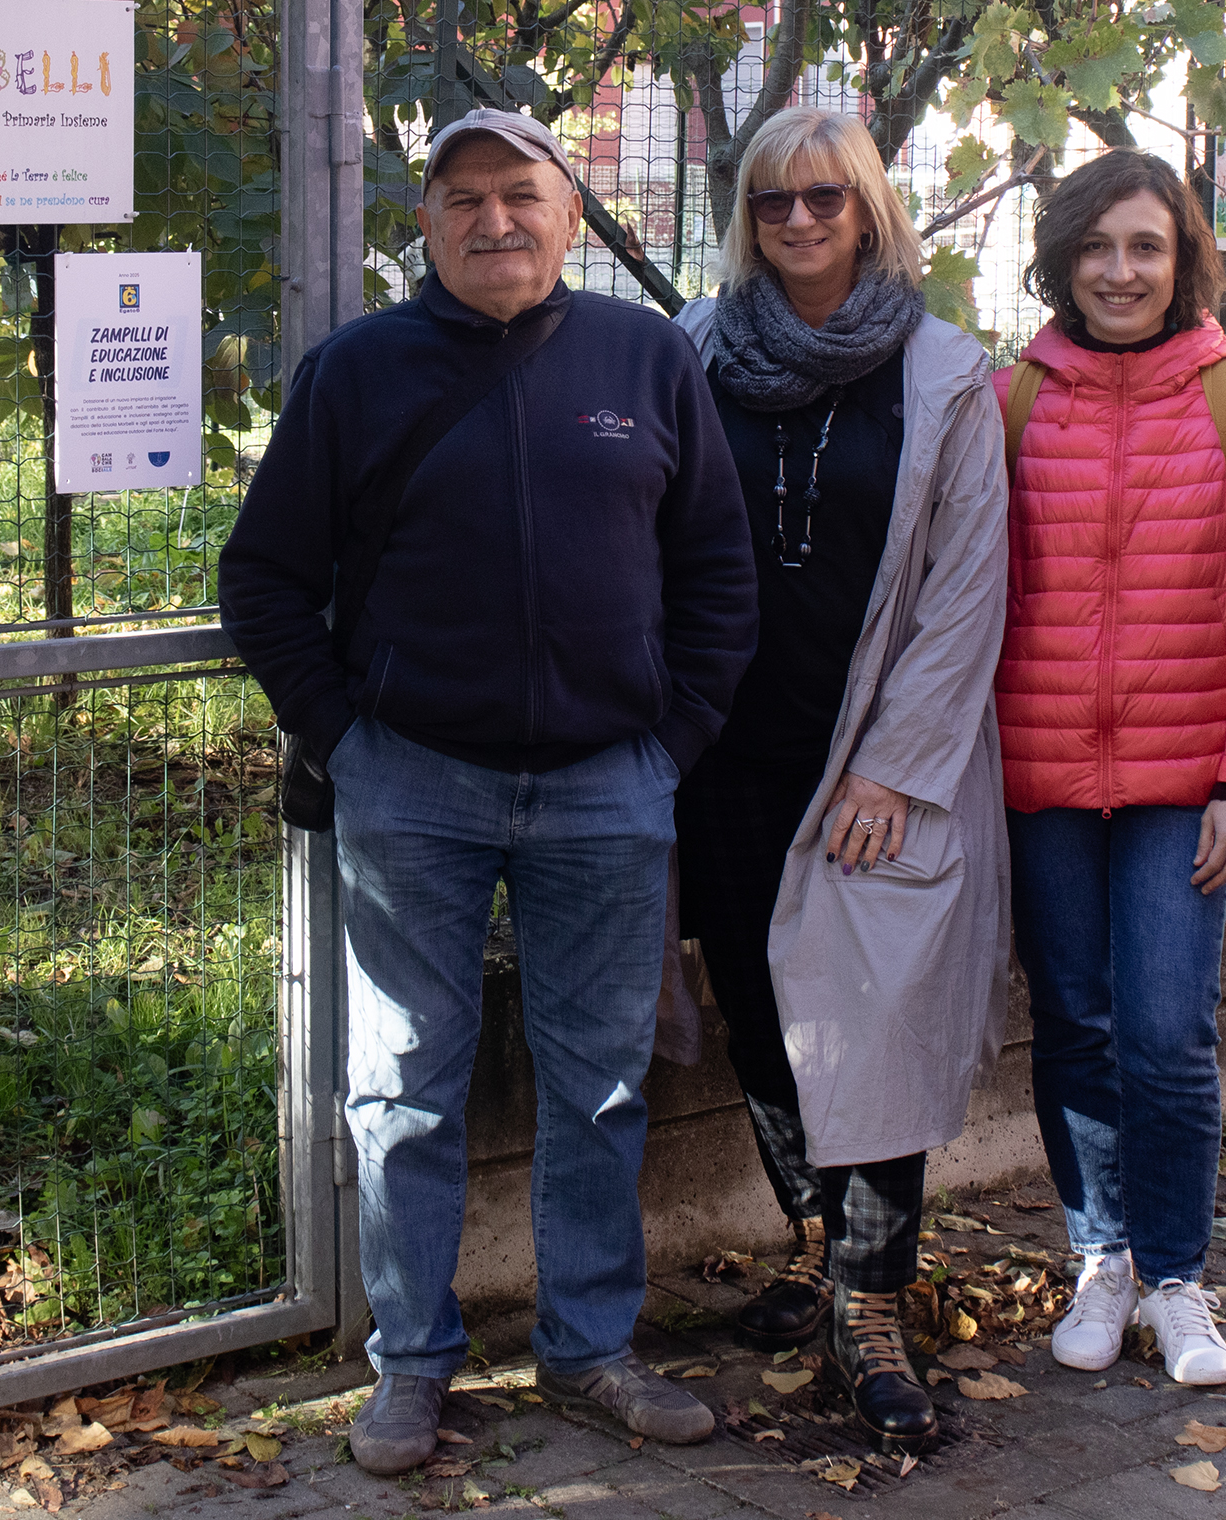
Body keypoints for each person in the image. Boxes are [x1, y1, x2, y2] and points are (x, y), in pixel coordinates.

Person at [218, 107, 759, 1476]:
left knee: (602, 1087)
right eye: (462, 200)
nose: (493, 221)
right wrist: (350, 740)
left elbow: (716, 570)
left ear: (572, 216)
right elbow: (264, 579)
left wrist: (670, 739)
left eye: (521, 195)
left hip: (609, 790)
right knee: (400, 1089)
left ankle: (588, 1351)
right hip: (415, 787)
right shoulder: (355, 373)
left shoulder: (645, 357)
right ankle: (410, 1366)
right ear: (426, 224)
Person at [668, 108, 1009, 1449]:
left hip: (869, 761)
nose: (801, 223)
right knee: (760, 1014)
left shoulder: (943, 373)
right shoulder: (692, 351)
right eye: (773, 205)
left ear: (870, 209)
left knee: (875, 1022)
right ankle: (814, 1236)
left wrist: (895, 764)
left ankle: (873, 1303)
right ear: (746, 220)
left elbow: (969, 588)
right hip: (727, 750)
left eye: (826, 200)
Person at [996, 147, 1226, 1387]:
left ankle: (1177, 1274)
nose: (1119, 270)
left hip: (1188, 776)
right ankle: (1100, 1257)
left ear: (1183, 261)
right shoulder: (1012, 395)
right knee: (1072, 1023)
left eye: (1145, 246)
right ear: (1063, 258)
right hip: (1040, 776)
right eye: (1096, 246)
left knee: (1168, 1032)